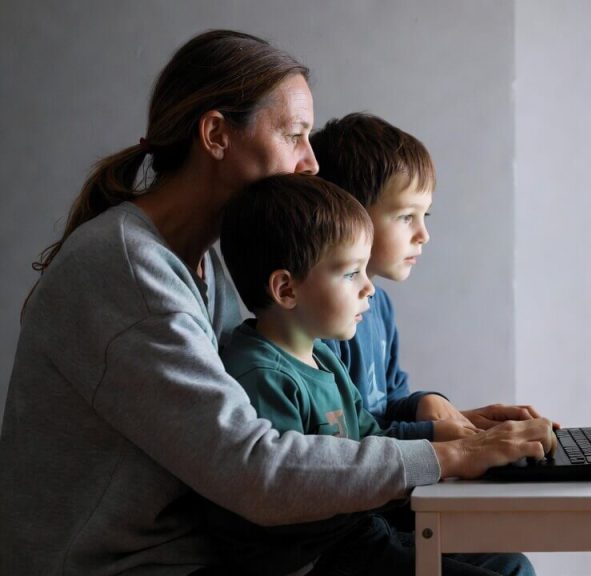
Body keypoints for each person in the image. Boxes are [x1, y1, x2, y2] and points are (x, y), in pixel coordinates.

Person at [0, 30, 553, 575]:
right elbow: (253, 468)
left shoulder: (204, 263)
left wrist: (452, 433)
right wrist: (449, 456)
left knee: (500, 564)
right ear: (217, 134)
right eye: (295, 135)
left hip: (213, 552)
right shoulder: (128, 271)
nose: (311, 163)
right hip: (137, 566)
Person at [212, 172, 534, 575]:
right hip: (316, 557)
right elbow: (282, 492)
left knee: (512, 565)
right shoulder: (261, 376)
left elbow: (372, 439)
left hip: (359, 531)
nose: (368, 288)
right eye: (351, 273)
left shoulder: (323, 359)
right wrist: (454, 452)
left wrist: (450, 434)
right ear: (286, 290)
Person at [312, 113, 545, 443]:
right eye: (407, 217)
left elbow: (386, 406)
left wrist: (423, 403)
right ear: (350, 216)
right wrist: (440, 435)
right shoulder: (325, 319)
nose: (423, 234)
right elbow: (346, 438)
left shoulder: (379, 306)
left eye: (425, 216)